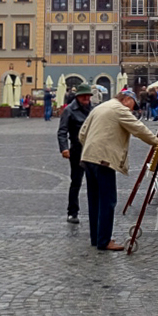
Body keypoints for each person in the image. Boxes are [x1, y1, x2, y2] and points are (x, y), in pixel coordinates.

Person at [78, 89, 158, 251]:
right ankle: (104, 241)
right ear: (126, 99)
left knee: (94, 200)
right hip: (104, 160)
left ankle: (96, 238)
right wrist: (157, 141)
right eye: (132, 104)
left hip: (88, 158)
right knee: (108, 201)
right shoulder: (119, 109)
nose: (132, 108)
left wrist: (91, 149)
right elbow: (138, 128)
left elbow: (82, 133)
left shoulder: (100, 107)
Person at [57, 84, 96, 224]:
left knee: (95, 182)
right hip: (77, 150)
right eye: (83, 95)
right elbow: (62, 131)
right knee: (76, 182)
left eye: (88, 95)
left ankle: (95, 211)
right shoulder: (69, 110)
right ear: (77, 96)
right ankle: (72, 212)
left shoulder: (94, 110)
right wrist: (64, 148)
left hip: (93, 150)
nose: (86, 98)